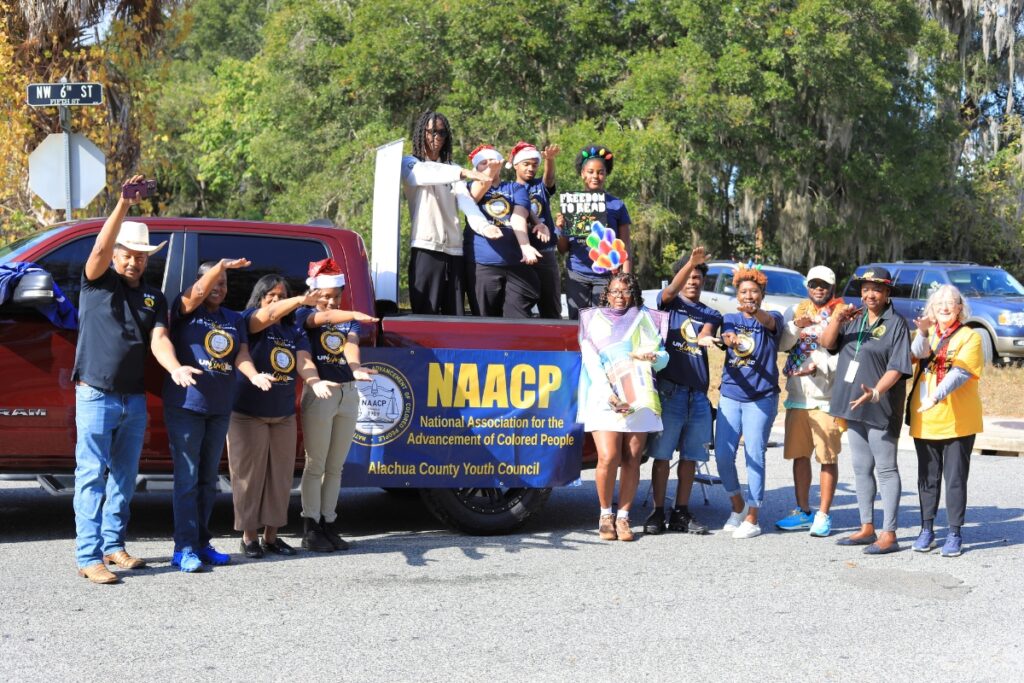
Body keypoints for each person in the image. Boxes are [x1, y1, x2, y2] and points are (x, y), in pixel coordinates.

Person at [163, 259, 273, 572]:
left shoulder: (233, 318)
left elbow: (241, 355)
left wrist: (253, 376)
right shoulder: (185, 309)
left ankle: (201, 542)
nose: (218, 288)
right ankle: (183, 548)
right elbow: (197, 291)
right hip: (186, 406)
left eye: (224, 284)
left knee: (208, 481)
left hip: (219, 408)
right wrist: (220, 267)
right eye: (214, 282)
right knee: (187, 479)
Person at [227, 275, 338, 559]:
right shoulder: (249, 321)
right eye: (271, 296)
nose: (276, 302)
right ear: (260, 299)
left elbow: (304, 361)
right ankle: (249, 537)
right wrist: (299, 300)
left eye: (281, 296)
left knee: (280, 478)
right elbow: (267, 316)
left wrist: (314, 382)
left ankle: (272, 537)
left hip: (283, 414)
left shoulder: (294, 330)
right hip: (248, 413)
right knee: (249, 478)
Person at [821, 266, 912, 555]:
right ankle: (866, 527)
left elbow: (898, 367)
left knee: (885, 469)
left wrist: (875, 392)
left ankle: (890, 533)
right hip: (852, 402)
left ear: (887, 293)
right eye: (865, 289)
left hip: (880, 405)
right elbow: (827, 343)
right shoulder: (853, 319)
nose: (869, 294)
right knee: (861, 468)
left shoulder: (896, 324)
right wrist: (836, 317)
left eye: (876, 289)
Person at [578, 273, 668, 541]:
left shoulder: (645, 318)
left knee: (632, 457)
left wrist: (654, 357)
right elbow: (591, 363)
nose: (620, 296)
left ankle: (624, 518)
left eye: (625, 291)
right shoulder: (592, 319)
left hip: (637, 395)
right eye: (615, 291)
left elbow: (663, 356)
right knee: (607, 457)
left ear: (633, 294)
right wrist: (610, 396)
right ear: (606, 293)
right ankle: (605, 514)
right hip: (604, 397)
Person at [295, 259, 378, 552]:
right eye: (326, 295)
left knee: (335, 466)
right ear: (315, 292)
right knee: (315, 463)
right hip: (320, 393)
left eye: (336, 295)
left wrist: (355, 367)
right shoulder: (303, 314)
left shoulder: (348, 319)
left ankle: (329, 523)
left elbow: (351, 343)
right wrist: (349, 311)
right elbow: (317, 321)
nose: (330, 301)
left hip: (348, 392)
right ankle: (310, 527)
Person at [643, 246, 722, 536]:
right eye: (689, 275)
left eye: (698, 276)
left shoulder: (710, 312)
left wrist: (706, 338)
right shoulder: (669, 304)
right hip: (670, 392)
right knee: (662, 456)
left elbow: (706, 332)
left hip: (698, 396)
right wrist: (690, 261)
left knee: (690, 457)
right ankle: (657, 512)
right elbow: (669, 291)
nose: (693, 281)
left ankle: (681, 512)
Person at [705, 265, 784, 539]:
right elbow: (727, 338)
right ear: (737, 295)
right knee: (724, 455)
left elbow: (769, 324)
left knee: (754, 454)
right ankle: (737, 505)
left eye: (754, 291)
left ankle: (753, 517)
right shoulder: (729, 318)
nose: (749, 295)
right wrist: (728, 339)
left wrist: (755, 313)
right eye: (743, 292)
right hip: (730, 394)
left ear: (762, 294)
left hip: (761, 397)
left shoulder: (772, 318)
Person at [908, 285, 984, 557]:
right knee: (926, 478)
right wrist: (923, 332)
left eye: (951, 302)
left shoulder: (970, 337)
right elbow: (914, 355)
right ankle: (926, 529)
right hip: (925, 420)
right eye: (939, 302)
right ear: (931, 308)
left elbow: (961, 373)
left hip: (957, 421)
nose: (944, 307)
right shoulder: (928, 333)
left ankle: (954, 532)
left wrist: (936, 396)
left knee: (954, 479)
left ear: (960, 308)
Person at [775, 266, 847, 537]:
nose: (819, 289)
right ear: (807, 286)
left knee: (827, 458)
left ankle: (823, 515)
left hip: (826, 398)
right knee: (799, 455)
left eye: (824, 285)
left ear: (832, 288)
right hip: (797, 396)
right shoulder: (796, 310)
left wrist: (821, 365)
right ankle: (803, 511)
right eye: (814, 284)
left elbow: (848, 353)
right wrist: (796, 326)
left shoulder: (842, 313)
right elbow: (782, 344)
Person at [400, 111, 493, 315]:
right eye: (431, 132)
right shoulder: (409, 163)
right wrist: (464, 173)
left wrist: (485, 227)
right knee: (426, 313)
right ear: (421, 133)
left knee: (456, 316)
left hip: (454, 251)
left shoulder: (452, 168)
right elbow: (424, 174)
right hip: (426, 247)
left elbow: (466, 202)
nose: (436, 138)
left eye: (441, 133)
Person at [465, 144, 544, 317]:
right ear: (475, 168)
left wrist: (525, 246)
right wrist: (489, 173)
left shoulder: (515, 188)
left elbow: (518, 217)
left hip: (515, 263)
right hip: (483, 263)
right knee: (485, 318)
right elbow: (474, 197)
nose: (488, 166)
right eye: (483, 163)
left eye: (492, 162)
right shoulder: (469, 188)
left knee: (518, 316)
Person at [556, 144, 632, 320]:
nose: (595, 176)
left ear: (606, 174)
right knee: (578, 321)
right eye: (590, 172)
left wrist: (625, 278)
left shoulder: (617, 205)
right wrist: (560, 229)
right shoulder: (571, 204)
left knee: (604, 321)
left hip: (606, 275)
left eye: (600, 172)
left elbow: (625, 246)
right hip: (576, 272)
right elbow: (562, 249)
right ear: (583, 173)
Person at [508, 141, 562, 318]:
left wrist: (550, 160)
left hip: (545, 253)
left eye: (534, 165)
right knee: (518, 307)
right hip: (518, 255)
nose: (531, 168)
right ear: (516, 165)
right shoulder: (508, 189)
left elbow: (550, 178)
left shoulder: (539, 187)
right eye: (526, 164)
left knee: (551, 307)